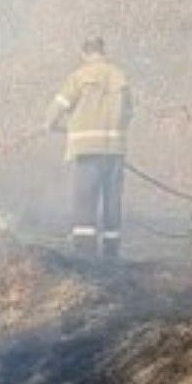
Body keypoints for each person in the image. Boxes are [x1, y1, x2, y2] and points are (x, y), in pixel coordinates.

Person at [49, 37, 134, 259]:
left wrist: (50, 125)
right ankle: (111, 252)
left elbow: (58, 107)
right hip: (114, 151)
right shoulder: (120, 76)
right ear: (103, 52)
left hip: (87, 151)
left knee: (85, 199)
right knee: (112, 200)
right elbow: (128, 113)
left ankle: (85, 254)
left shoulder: (79, 77)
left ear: (84, 53)